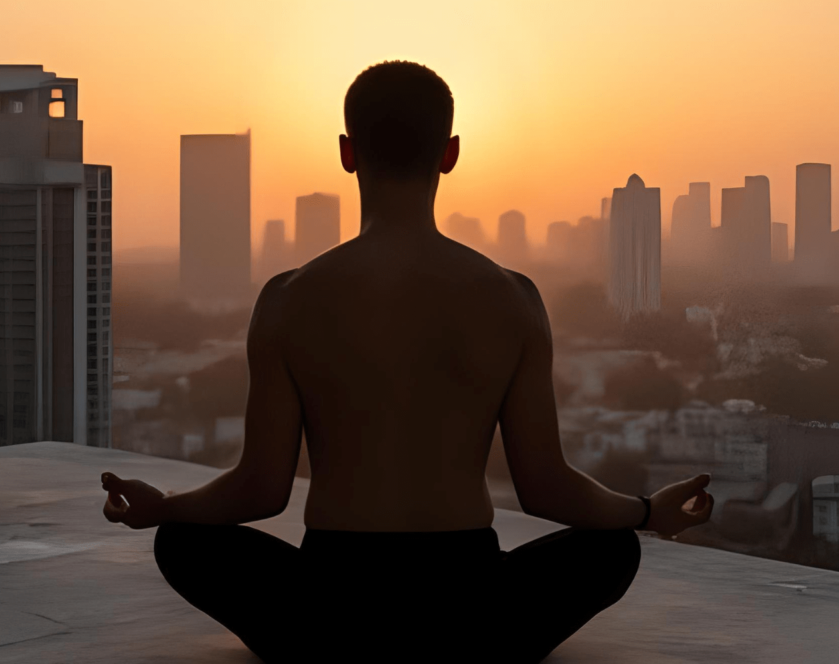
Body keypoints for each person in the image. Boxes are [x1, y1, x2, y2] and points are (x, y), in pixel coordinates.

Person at [101, 60, 714, 663]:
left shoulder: (289, 299)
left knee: (183, 543)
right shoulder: (512, 297)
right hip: (471, 608)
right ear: (449, 153)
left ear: (347, 152)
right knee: (612, 551)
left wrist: (165, 508)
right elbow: (545, 487)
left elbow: (260, 490)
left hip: (326, 606)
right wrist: (645, 513)